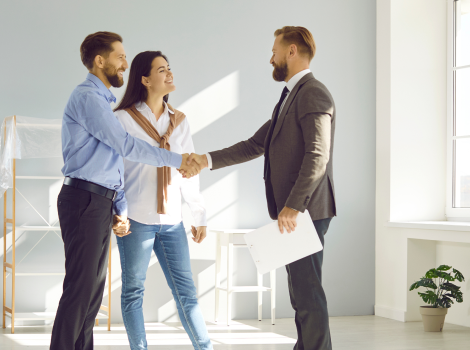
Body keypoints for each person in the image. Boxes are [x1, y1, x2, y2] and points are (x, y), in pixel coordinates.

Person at [185, 26, 336, 350]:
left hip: (306, 211)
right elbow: (255, 144)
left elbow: (317, 157)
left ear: (292, 51)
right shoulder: (291, 96)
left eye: (275, 51)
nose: (271, 58)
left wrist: (294, 206)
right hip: (298, 211)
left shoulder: (313, 92)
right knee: (301, 291)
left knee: (307, 292)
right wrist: (205, 159)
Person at [51, 32, 200, 350]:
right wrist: (178, 159)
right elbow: (125, 146)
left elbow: (112, 164)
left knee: (92, 293)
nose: (125, 63)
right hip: (83, 198)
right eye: (120, 57)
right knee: (80, 290)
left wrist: (119, 207)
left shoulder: (103, 102)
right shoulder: (89, 99)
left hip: (98, 200)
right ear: (99, 61)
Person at [112, 50, 213, 350]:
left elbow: (189, 170)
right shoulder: (122, 120)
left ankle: (205, 348)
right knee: (133, 291)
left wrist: (199, 214)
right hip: (136, 218)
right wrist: (118, 212)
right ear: (144, 79)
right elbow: (114, 170)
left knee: (186, 292)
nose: (169, 74)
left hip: (172, 220)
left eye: (169, 68)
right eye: (161, 70)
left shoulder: (179, 122)